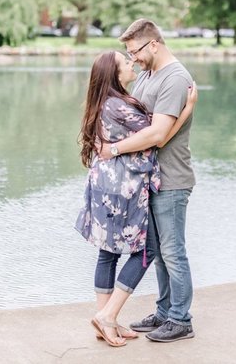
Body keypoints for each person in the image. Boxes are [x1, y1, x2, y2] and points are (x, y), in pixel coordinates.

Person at [75, 50, 197, 347]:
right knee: (149, 249)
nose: (132, 63)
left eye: (132, 56)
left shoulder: (104, 102)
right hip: (123, 188)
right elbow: (158, 137)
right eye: (125, 62)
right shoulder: (119, 107)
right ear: (115, 74)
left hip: (105, 185)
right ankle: (108, 316)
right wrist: (187, 110)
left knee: (108, 252)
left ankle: (106, 319)